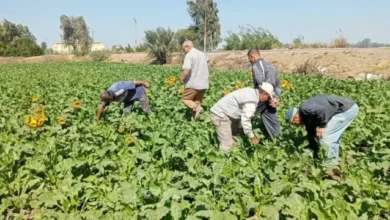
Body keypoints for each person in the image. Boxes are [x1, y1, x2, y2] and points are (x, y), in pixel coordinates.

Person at [285, 95, 359, 168]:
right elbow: (311, 135)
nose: (297, 126)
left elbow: (322, 110)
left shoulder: (305, 109)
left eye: (294, 123)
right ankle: (333, 163)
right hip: (344, 109)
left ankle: (328, 166)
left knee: (325, 135)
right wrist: (314, 153)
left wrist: (322, 126)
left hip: (346, 109)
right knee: (331, 138)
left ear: (296, 117)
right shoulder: (307, 119)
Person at [210, 82, 274, 152]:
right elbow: (246, 119)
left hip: (228, 114)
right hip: (220, 115)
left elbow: (241, 111)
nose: (267, 100)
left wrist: (240, 127)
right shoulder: (251, 101)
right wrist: (252, 137)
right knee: (227, 144)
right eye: (268, 97)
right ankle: (222, 160)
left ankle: (231, 157)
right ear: (264, 94)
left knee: (234, 136)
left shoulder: (250, 91)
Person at [247, 48, 282, 140]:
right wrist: (276, 97)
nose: (250, 62)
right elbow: (278, 84)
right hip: (270, 99)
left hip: (263, 98)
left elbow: (263, 84)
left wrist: (272, 97)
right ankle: (280, 142)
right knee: (272, 122)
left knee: (245, 115)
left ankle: (238, 137)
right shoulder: (270, 67)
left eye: (249, 59)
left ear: (252, 57)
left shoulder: (257, 65)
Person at [180, 40, 210, 120]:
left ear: (187, 47)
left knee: (186, 99)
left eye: (184, 49)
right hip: (203, 83)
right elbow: (208, 62)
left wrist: (182, 78)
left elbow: (187, 69)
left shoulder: (189, 55)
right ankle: (195, 120)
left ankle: (198, 108)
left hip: (193, 83)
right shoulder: (202, 54)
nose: (184, 51)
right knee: (197, 101)